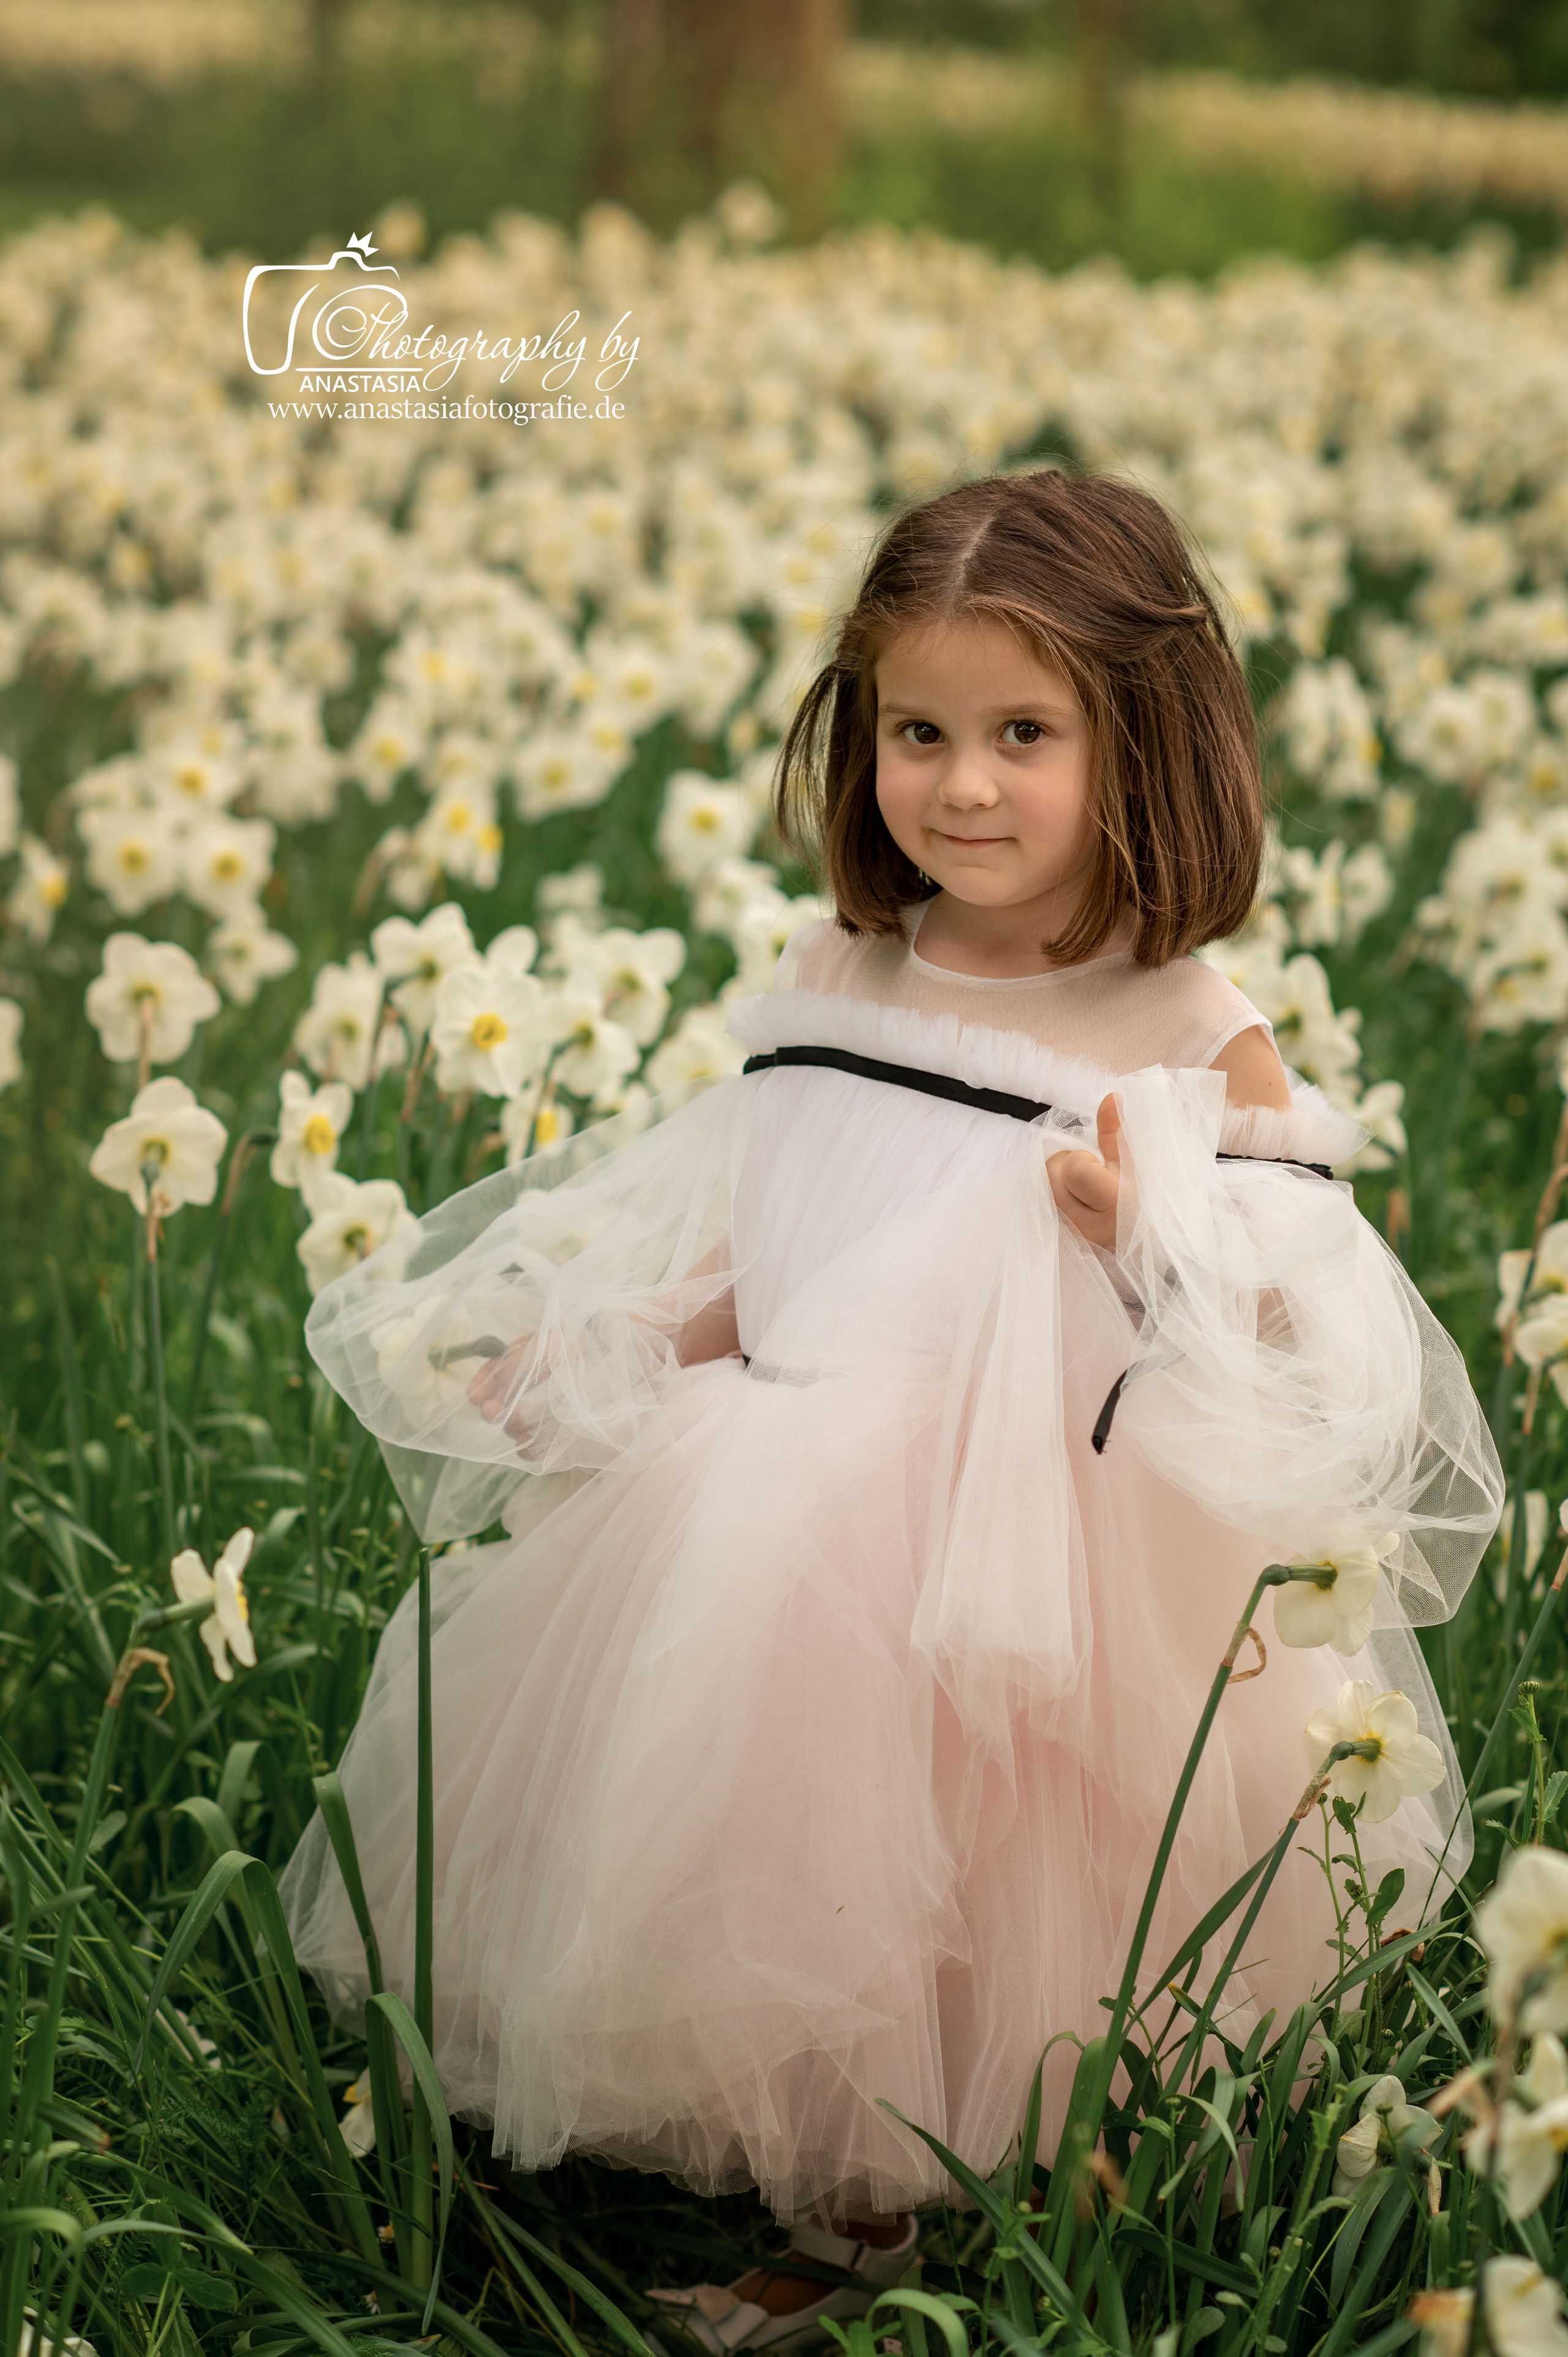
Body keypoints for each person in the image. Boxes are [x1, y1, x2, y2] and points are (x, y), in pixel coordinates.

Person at [279, 467, 1502, 2351]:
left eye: (1025, 736)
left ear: (1144, 746)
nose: (960, 787)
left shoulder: (1185, 1026)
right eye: (917, 733)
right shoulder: (840, 966)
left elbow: (1308, 1326)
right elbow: (771, 1234)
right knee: (783, 1854)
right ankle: (824, 2186)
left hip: (1049, 1566)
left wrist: (1149, 1221)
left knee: (1007, 1892)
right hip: (778, 1523)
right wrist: (610, 1351)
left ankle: (895, 2215)